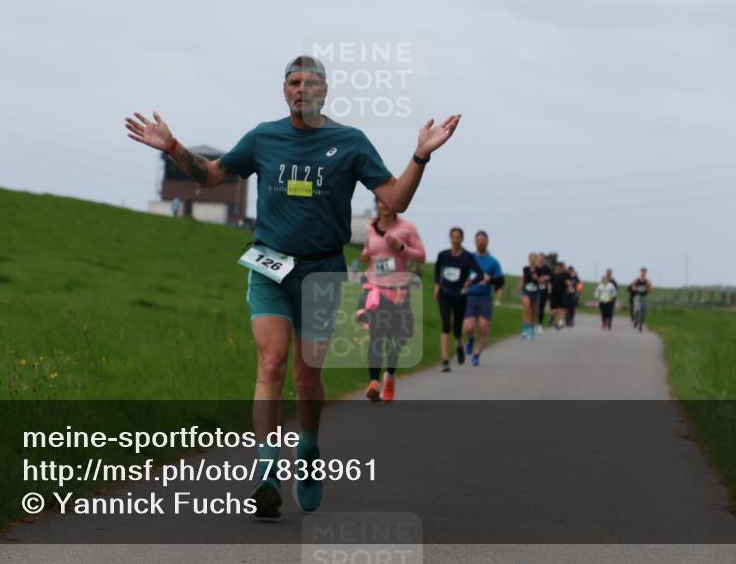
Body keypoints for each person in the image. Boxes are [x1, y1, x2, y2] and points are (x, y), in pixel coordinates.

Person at [124, 55, 460, 518]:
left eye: (311, 83)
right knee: (271, 362)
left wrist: (420, 155)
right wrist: (172, 147)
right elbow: (212, 176)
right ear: (284, 90)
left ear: (326, 90)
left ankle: (308, 449)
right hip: (270, 266)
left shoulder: (350, 142)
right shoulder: (264, 137)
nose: (302, 90)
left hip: (322, 273)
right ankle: (266, 471)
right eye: (294, 82)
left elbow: (395, 198)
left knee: (307, 378)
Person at [359, 196, 426, 402]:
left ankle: (389, 376)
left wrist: (401, 248)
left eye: (389, 202)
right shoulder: (369, 228)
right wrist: (365, 254)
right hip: (376, 290)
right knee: (377, 337)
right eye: (381, 201)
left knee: (396, 339)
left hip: (399, 292)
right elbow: (368, 250)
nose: (385, 205)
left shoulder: (407, 228)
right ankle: (373, 382)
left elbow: (421, 256)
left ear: (395, 206)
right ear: (376, 204)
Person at [434, 227, 487, 372]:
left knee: (457, 329)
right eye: (453, 237)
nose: (455, 240)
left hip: (460, 295)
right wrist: (437, 285)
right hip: (445, 294)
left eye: (458, 237)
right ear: (450, 238)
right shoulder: (443, 255)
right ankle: (445, 361)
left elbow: (480, 274)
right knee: (446, 325)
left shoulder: (467, 257)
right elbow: (437, 270)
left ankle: (459, 344)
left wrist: (470, 282)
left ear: (462, 239)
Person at [463, 230, 504, 365]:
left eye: (483, 240)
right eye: (479, 240)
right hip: (470, 297)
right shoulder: (469, 258)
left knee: (484, 328)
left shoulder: (493, 262)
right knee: (468, 328)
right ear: (475, 242)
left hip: (485, 298)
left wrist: (490, 279)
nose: (481, 242)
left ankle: (476, 355)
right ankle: (470, 339)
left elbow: (500, 281)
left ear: (487, 242)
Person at [520, 253, 542, 340]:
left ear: (536, 259)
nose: (532, 260)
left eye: (534, 258)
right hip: (526, 291)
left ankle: (532, 328)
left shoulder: (539, 270)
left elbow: (541, 280)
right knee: (527, 311)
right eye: (531, 258)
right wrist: (519, 286)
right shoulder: (525, 269)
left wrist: (537, 278)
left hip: (535, 292)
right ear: (528, 259)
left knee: (534, 312)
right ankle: (525, 330)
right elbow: (524, 279)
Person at [549, 261, 572, 330]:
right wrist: (549, 289)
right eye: (557, 267)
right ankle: (557, 321)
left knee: (561, 308)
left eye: (560, 267)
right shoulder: (553, 274)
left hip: (562, 293)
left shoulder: (566, 275)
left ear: (562, 268)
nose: (558, 268)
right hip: (554, 294)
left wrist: (569, 288)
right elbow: (550, 283)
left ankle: (560, 322)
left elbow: (569, 282)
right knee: (554, 310)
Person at [630, 267, 653, 332]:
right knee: (637, 310)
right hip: (638, 297)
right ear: (640, 272)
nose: (643, 273)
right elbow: (632, 287)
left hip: (645, 297)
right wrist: (634, 288)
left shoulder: (648, 281)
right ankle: (636, 320)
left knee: (644, 312)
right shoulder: (637, 280)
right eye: (642, 272)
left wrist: (648, 288)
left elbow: (651, 290)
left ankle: (641, 324)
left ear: (645, 273)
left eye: (644, 272)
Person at [535, 253, 552, 333]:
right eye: (539, 258)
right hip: (534, 289)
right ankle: (533, 324)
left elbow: (551, 277)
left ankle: (540, 325)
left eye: (542, 258)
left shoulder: (547, 268)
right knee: (534, 307)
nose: (540, 260)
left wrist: (545, 277)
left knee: (541, 308)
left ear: (544, 259)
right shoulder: (534, 268)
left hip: (543, 290)